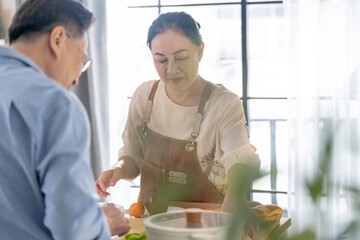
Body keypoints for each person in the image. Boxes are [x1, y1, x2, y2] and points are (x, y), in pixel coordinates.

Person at [95, 11, 260, 212]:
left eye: (181, 57)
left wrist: (234, 199)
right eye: (161, 60)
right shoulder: (144, 97)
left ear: (200, 51)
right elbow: (132, 157)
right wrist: (117, 170)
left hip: (207, 222)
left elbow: (239, 158)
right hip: (152, 222)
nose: (171, 69)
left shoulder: (224, 103)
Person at [0, 0, 130, 239]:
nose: (76, 80)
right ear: (58, 39)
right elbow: (74, 230)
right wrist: (106, 224)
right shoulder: (55, 103)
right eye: (82, 61)